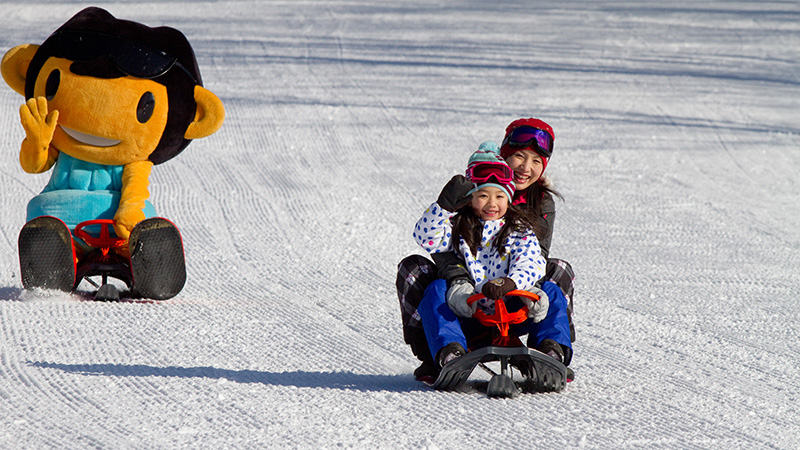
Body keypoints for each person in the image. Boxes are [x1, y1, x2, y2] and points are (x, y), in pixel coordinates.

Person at [396, 118, 575, 381]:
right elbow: (429, 240)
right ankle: (443, 353)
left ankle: (550, 352)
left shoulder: (524, 222)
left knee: (556, 279)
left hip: (515, 297)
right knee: (425, 281)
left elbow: (535, 258)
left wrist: (511, 282)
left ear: (509, 198)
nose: (526, 167)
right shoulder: (459, 219)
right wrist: (444, 208)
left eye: (536, 161)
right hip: (467, 300)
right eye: (518, 156)